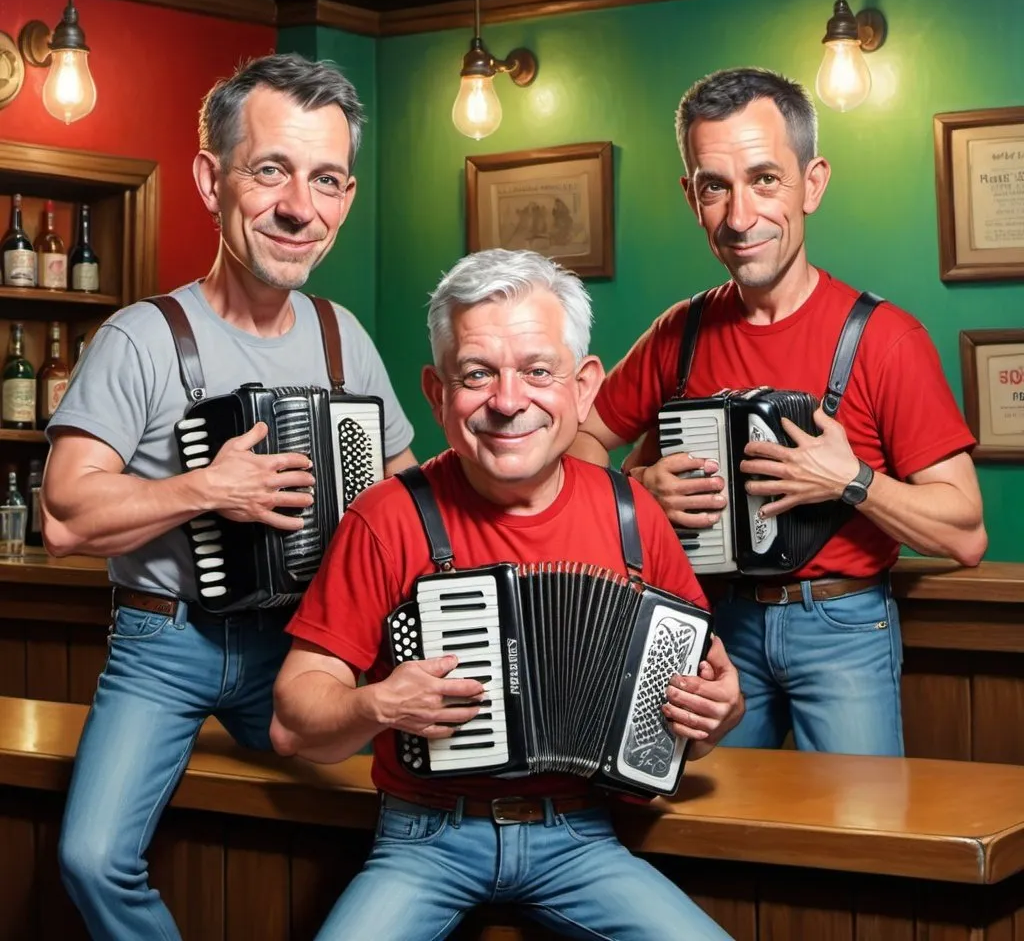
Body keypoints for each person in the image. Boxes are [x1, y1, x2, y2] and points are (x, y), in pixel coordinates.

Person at [41, 53, 416, 940]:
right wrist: (207, 486)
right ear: (213, 181)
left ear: (347, 198)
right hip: (164, 644)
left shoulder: (341, 337)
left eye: (325, 179)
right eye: (271, 171)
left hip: (304, 644)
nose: (298, 207)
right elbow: (62, 514)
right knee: (91, 858)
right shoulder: (140, 337)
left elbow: (404, 489)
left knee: (424, 809)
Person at [271, 249, 744, 941]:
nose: (508, 400)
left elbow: (693, 726)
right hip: (424, 842)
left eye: (538, 371)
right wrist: (379, 703)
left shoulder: (635, 517)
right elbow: (292, 720)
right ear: (437, 395)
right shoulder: (387, 517)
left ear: (584, 388)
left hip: (580, 839)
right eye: (477, 375)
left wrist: (718, 713)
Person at [572, 67, 986, 756]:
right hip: (712, 627)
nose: (740, 216)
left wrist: (850, 481)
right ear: (691, 197)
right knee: (721, 836)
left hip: (845, 623)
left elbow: (967, 534)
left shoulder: (886, 339)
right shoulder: (679, 332)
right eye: (715, 187)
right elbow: (581, 442)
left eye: (765, 180)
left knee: (860, 840)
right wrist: (637, 491)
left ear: (812, 183)